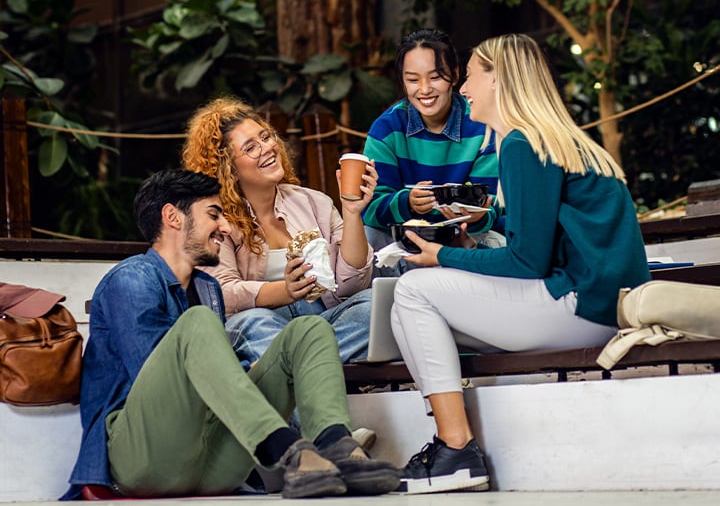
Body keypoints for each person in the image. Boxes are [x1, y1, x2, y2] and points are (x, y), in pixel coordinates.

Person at [390, 33, 652, 494]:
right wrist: (477, 239)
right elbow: (545, 242)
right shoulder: (556, 140)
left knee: (412, 291)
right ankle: (454, 445)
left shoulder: (521, 144)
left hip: (580, 308)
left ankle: (455, 448)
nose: (464, 87)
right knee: (417, 315)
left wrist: (442, 255)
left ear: (499, 79)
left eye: (471, 74)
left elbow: (528, 262)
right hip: (604, 307)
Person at [63, 169, 398, 500]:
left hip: (209, 462)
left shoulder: (206, 287)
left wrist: (244, 377)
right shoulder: (132, 279)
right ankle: (286, 448)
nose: (224, 227)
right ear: (172, 217)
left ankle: (336, 446)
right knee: (198, 324)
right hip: (142, 458)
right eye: (213, 215)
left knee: (309, 330)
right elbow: (155, 379)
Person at [182, 97, 376, 366]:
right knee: (251, 323)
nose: (268, 148)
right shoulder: (216, 219)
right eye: (251, 147)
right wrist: (285, 291)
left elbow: (351, 286)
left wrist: (352, 212)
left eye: (266, 137)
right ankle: (312, 368)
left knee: (376, 305)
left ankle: (290, 369)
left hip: (322, 322)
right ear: (229, 169)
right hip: (265, 323)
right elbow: (222, 293)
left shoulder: (313, 202)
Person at [362, 28, 502, 276]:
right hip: (405, 243)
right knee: (367, 235)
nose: (424, 89)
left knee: (492, 239)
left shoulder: (482, 125)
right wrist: (408, 203)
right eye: (413, 80)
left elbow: (494, 206)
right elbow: (369, 208)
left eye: (435, 77)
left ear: (455, 75)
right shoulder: (387, 129)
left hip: (465, 238)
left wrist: (476, 215)